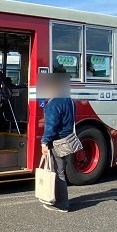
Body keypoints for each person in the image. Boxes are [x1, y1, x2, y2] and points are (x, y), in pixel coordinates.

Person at [40, 74, 74, 213]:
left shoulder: (54, 103)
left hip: (58, 141)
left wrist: (44, 143)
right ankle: (58, 200)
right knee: (61, 171)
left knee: (59, 173)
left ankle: (62, 204)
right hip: (68, 140)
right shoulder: (69, 100)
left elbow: (51, 126)